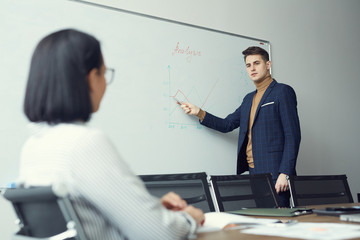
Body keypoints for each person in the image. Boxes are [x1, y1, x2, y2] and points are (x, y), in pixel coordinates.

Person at [17, 29, 204, 240]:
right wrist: (189, 217)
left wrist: (152, 210)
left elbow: (87, 221)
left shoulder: (33, 146)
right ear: (90, 79)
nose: (105, 83)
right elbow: (160, 234)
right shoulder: (83, 143)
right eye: (104, 73)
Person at [180, 46, 301, 207]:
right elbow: (227, 124)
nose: (252, 68)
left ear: (268, 64)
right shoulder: (248, 99)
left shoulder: (282, 92)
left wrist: (285, 172)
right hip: (254, 171)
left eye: (257, 63)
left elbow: (293, 135)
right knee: (262, 221)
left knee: (279, 223)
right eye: (248, 65)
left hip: (276, 172)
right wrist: (199, 112)